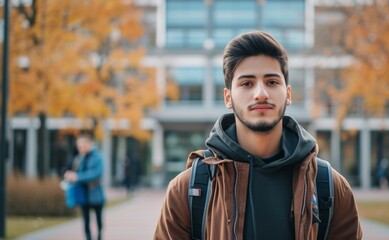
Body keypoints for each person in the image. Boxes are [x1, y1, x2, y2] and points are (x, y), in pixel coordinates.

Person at [154, 30, 362, 239]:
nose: (261, 93)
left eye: (272, 82)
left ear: (288, 94)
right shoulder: (188, 190)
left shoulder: (331, 188)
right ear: (228, 97)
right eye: (247, 83)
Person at [64, 133, 106, 240]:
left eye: (82, 146)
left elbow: (96, 174)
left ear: (89, 144)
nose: (80, 149)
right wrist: (69, 174)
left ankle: (99, 237)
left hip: (96, 194)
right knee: (86, 220)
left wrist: (78, 177)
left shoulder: (98, 157)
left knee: (99, 220)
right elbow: (74, 170)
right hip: (83, 194)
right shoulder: (80, 158)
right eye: (79, 147)